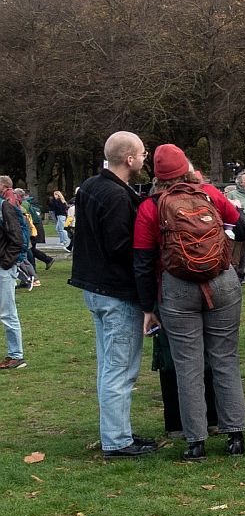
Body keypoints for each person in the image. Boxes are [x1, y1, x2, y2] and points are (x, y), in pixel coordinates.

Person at [134, 144, 245, 461]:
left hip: (177, 288)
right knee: (225, 358)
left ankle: (195, 441)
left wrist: (148, 307)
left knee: (188, 366)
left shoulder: (150, 207)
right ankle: (235, 435)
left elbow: (143, 262)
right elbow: (243, 229)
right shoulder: (210, 194)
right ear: (187, 167)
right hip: (222, 282)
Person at [68, 132, 156, 457]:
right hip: (115, 292)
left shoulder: (91, 186)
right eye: (143, 153)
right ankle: (117, 441)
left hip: (95, 289)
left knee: (109, 367)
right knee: (120, 369)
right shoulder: (117, 197)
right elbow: (121, 247)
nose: (145, 158)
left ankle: (117, 432)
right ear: (130, 159)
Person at [0, 176, 26, 371]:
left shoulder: (5, 208)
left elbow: (17, 238)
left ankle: (16, 355)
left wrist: (6, 263)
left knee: (8, 312)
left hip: (4, 268)